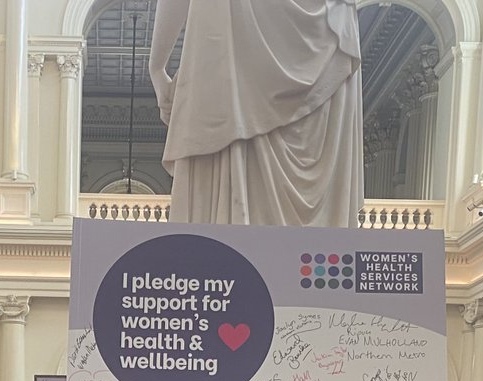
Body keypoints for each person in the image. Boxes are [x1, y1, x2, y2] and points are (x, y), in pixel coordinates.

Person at [149, 0, 363, 226]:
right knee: (326, 226)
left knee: (217, 232)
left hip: (235, 26)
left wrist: (157, 66)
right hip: (325, 31)